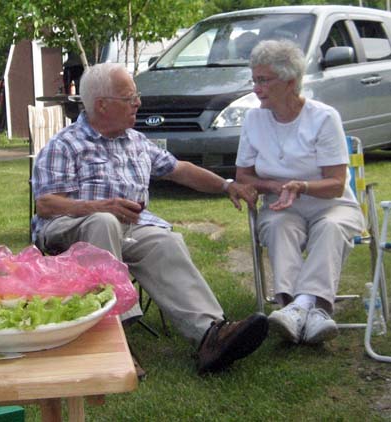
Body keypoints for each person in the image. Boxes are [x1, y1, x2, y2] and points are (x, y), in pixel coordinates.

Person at [32, 62, 268, 374]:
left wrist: (226, 186)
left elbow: (180, 170)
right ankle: (114, 338)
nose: (138, 103)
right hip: (69, 229)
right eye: (129, 98)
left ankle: (210, 334)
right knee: (103, 222)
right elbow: (46, 204)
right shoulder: (65, 144)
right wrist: (100, 207)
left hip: (127, 227)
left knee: (163, 241)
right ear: (102, 105)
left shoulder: (136, 141)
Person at [236, 39, 364, 344]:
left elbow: (336, 184)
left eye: (263, 80)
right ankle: (310, 312)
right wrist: (274, 186)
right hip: (282, 205)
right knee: (279, 226)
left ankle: (300, 307)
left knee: (331, 227)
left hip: (331, 204)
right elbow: (243, 175)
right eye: (254, 80)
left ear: (291, 82)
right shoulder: (254, 119)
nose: (256, 88)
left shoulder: (323, 117)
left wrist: (301, 186)